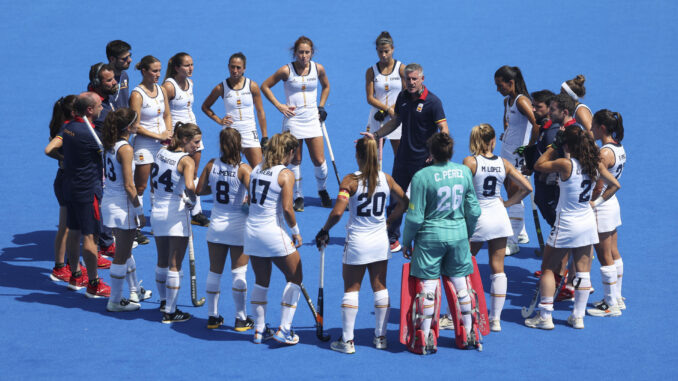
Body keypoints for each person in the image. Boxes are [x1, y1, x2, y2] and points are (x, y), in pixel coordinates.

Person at [315, 137, 408, 354]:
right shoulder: (386, 179)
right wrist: (389, 220)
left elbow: (338, 212)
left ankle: (347, 341)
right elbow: (405, 202)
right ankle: (381, 337)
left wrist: (324, 230)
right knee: (380, 287)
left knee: (351, 289)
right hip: (379, 242)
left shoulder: (350, 181)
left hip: (357, 242)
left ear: (358, 156)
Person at [526, 125, 620, 330]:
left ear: (567, 144)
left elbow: (539, 164)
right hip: (587, 222)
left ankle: (545, 317)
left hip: (566, 224)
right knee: (583, 272)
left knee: (548, 269)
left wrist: (554, 146)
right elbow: (614, 185)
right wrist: (596, 202)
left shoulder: (565, 164)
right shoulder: (594, 164)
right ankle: (578, 317)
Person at [401, 132, 481, 350]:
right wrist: (467, 232)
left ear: (431, 153)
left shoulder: (422, 176)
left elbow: (415, 216)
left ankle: (424, 338)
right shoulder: (464, 172)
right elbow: (473, 210)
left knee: (428, 288)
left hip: (430, 238)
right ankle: (469, 332)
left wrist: (406, 241)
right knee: (461, 285)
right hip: (458, 235)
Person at [365, 63, 449, 252]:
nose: (410, 83)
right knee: (396, 198)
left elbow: (444, 129)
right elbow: (396, 121)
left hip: (424, 161)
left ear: (422, 79)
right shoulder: (402, 97)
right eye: (407, 79)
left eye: (414, 79)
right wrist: (377, 135)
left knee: (425, 201)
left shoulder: (433, 102)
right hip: (403, 158)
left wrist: (437, 152)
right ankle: (392, 236)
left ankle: (426, 236)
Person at [463, 124, 532, 332]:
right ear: (493, 141)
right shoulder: (504, 163)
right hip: (500, 217)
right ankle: (495, 319)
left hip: (479, 218)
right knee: (497, 269)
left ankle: (463, 312)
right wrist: (508, 204)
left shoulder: (470, 162)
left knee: (465, 265)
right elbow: (527, 188)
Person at [244, 132, 303, 345]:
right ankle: (284, 329)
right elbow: (287, 209)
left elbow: (249, 200)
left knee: (261, 281)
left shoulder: (256, 169)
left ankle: (259, 330)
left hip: (251, 233)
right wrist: (295, 231)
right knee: (296, 276)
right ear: (288, 151)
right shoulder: (285, 174)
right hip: (272, 232)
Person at [261, 36, 331, 211]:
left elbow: (326, 86)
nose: (304, 56)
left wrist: (321, 106)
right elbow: (265, 86)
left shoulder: (318, 68)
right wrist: (279, 105)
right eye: (301, 52)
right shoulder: (286, 71)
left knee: (319, 160)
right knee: (295, 159)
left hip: (312, 119)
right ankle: (298, 196)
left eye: (307, 52)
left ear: (312, 53)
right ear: (295, 53)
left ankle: (322, 190)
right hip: (293, 120)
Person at [196, 128, 255, 331]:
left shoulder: (211, 164)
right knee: (239, 272)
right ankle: (240, 318)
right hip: (238, 226)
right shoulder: (244, 169)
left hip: (216, 225)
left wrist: (214, 185)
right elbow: (254, 196)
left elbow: (199, 190)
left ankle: (213, 316)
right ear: (239, 145)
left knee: (214, 272)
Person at [101, 108, 152, 312]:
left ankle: (134, 290)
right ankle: (115, 300)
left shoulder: (110, 144)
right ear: (129, 127)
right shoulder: (126, 149)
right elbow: (130, 186)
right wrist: (139, 211)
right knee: (121, 255)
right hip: (123, 206)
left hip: (110, 202)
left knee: (125, 249)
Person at [150, 122, 202, 323]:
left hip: (158, 211)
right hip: (176, 213)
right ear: (185, 140)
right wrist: (193, 199)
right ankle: (170, 312)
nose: (197, 146)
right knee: (174, 264)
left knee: (161, 260)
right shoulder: (187, 161)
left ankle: (164, 301)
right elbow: (190, 185)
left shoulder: (161, 152)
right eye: (195, 142)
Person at [61, 92, 111, 298]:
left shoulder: (69, 127)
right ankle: (93, 283)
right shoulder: (90, 135)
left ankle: (75, 275)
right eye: (100, 106)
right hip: (88, 190)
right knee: (90, 238)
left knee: (74, 232)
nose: (102, 109)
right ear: (89, 110)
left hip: (70, 187)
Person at [494, 65, 538, 255]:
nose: (497, 89)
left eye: (500, 85)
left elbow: (536, 123)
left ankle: (512, 241)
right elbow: (510, 122)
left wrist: (529, 148)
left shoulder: (522, 101)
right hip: (507, 153)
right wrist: (507, 133)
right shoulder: (508, 101)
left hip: (517, 156)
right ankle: (522, 233)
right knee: (512, 192)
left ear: (511, 83)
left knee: (515, 195)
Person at [162, 52, 209, 227]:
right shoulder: (169, 86)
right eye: (186, 65)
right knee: (176, 173)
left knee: (195, 173)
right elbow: (163, 112)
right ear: (176, 68)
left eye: (192, 64)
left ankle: (196, 212)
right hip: (179, 137)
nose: (191, 68)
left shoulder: (190, 83)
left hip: (194, 133)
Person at [587, 109, 626, 317]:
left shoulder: (604, 153)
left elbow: (599, 184)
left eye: (593, 126)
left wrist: (593, 202)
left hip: (602, 206)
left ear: (602, 128)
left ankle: (611, 304)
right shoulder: (619, 148)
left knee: (604, 256)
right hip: (613, 205)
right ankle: (617, 296)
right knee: (614, 252)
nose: (591, 129)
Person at [130, 55, 172, 245]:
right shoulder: (137, 94)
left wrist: (168, 132)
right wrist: (158, 136)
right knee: (141, 186)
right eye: (154, 71)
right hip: (144, 145)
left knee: (158, 185)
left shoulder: (161, 89)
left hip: (161, 143)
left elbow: (167, 114)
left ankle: (157, 223)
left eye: (159, 71)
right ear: (144, 71)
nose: (158, 74)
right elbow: (135, 126)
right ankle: (135, 226)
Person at [202, 52, 268, 167]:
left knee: (258, 169)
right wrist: (219, 120)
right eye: (232, 67)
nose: (235, 70)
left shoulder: (253, 86)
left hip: (249, 131)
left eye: (238, 67)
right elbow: (205, 106)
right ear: (228, 67)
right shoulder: (221, 87)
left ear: (244, 69)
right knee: (230, 169)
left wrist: (265, 136)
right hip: (230, 132)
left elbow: (260, 111)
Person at [88, 62, 119, 261]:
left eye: (114, 78)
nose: (115, 82)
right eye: (109, 80)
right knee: (97, 204)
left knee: (105, 201)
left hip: (106, 161)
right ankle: (100, 246)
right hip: (95, 164)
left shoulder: (106, 99)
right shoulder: (92, 106)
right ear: (97, 83)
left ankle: (106, 242)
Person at [44, 95, 78, 282]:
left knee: (69, 226)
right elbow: (49, 149)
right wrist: (64, 159)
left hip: (65, 179)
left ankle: (66, 264)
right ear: (74, 112)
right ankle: (59, 267)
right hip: (67, 180)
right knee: (66, 227)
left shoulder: (64, 125)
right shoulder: (67, 129)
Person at [364, 31, 405, 159]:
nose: (383, 55)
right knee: (370, 157)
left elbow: (405, 93)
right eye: (380, 51)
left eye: (386, 51)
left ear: (392, 49)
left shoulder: (401, 68)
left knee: (400, 156)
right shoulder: (371, 71)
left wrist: (392, 109)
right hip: (378, 117)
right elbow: (370, 98)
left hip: (396, 116)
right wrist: (386, 109)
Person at [106, 40, 132, 109]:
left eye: (130, 56)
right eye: (125, 58)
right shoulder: (103, 79)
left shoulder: (124, 75)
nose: (130, 60)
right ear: (112, 59)